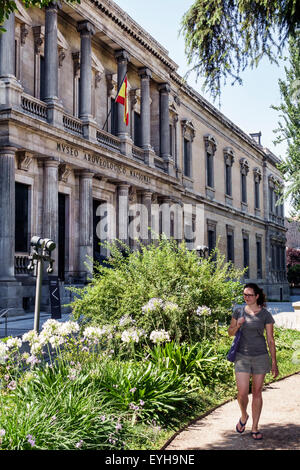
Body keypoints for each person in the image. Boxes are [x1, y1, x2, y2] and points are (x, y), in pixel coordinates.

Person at [228, 283, 279, 440]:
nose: (246, 297)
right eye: (244, 294)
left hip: (260, 356)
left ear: (257, 296)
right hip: (242, 357)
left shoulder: (265, 315)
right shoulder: (238, 311)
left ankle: (255, 427)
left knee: (257, 392)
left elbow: (270, 340)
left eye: (249, 295)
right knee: (242, 393)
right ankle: (244, 416)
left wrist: (274, 362)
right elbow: (230, 333)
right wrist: (238, 324)